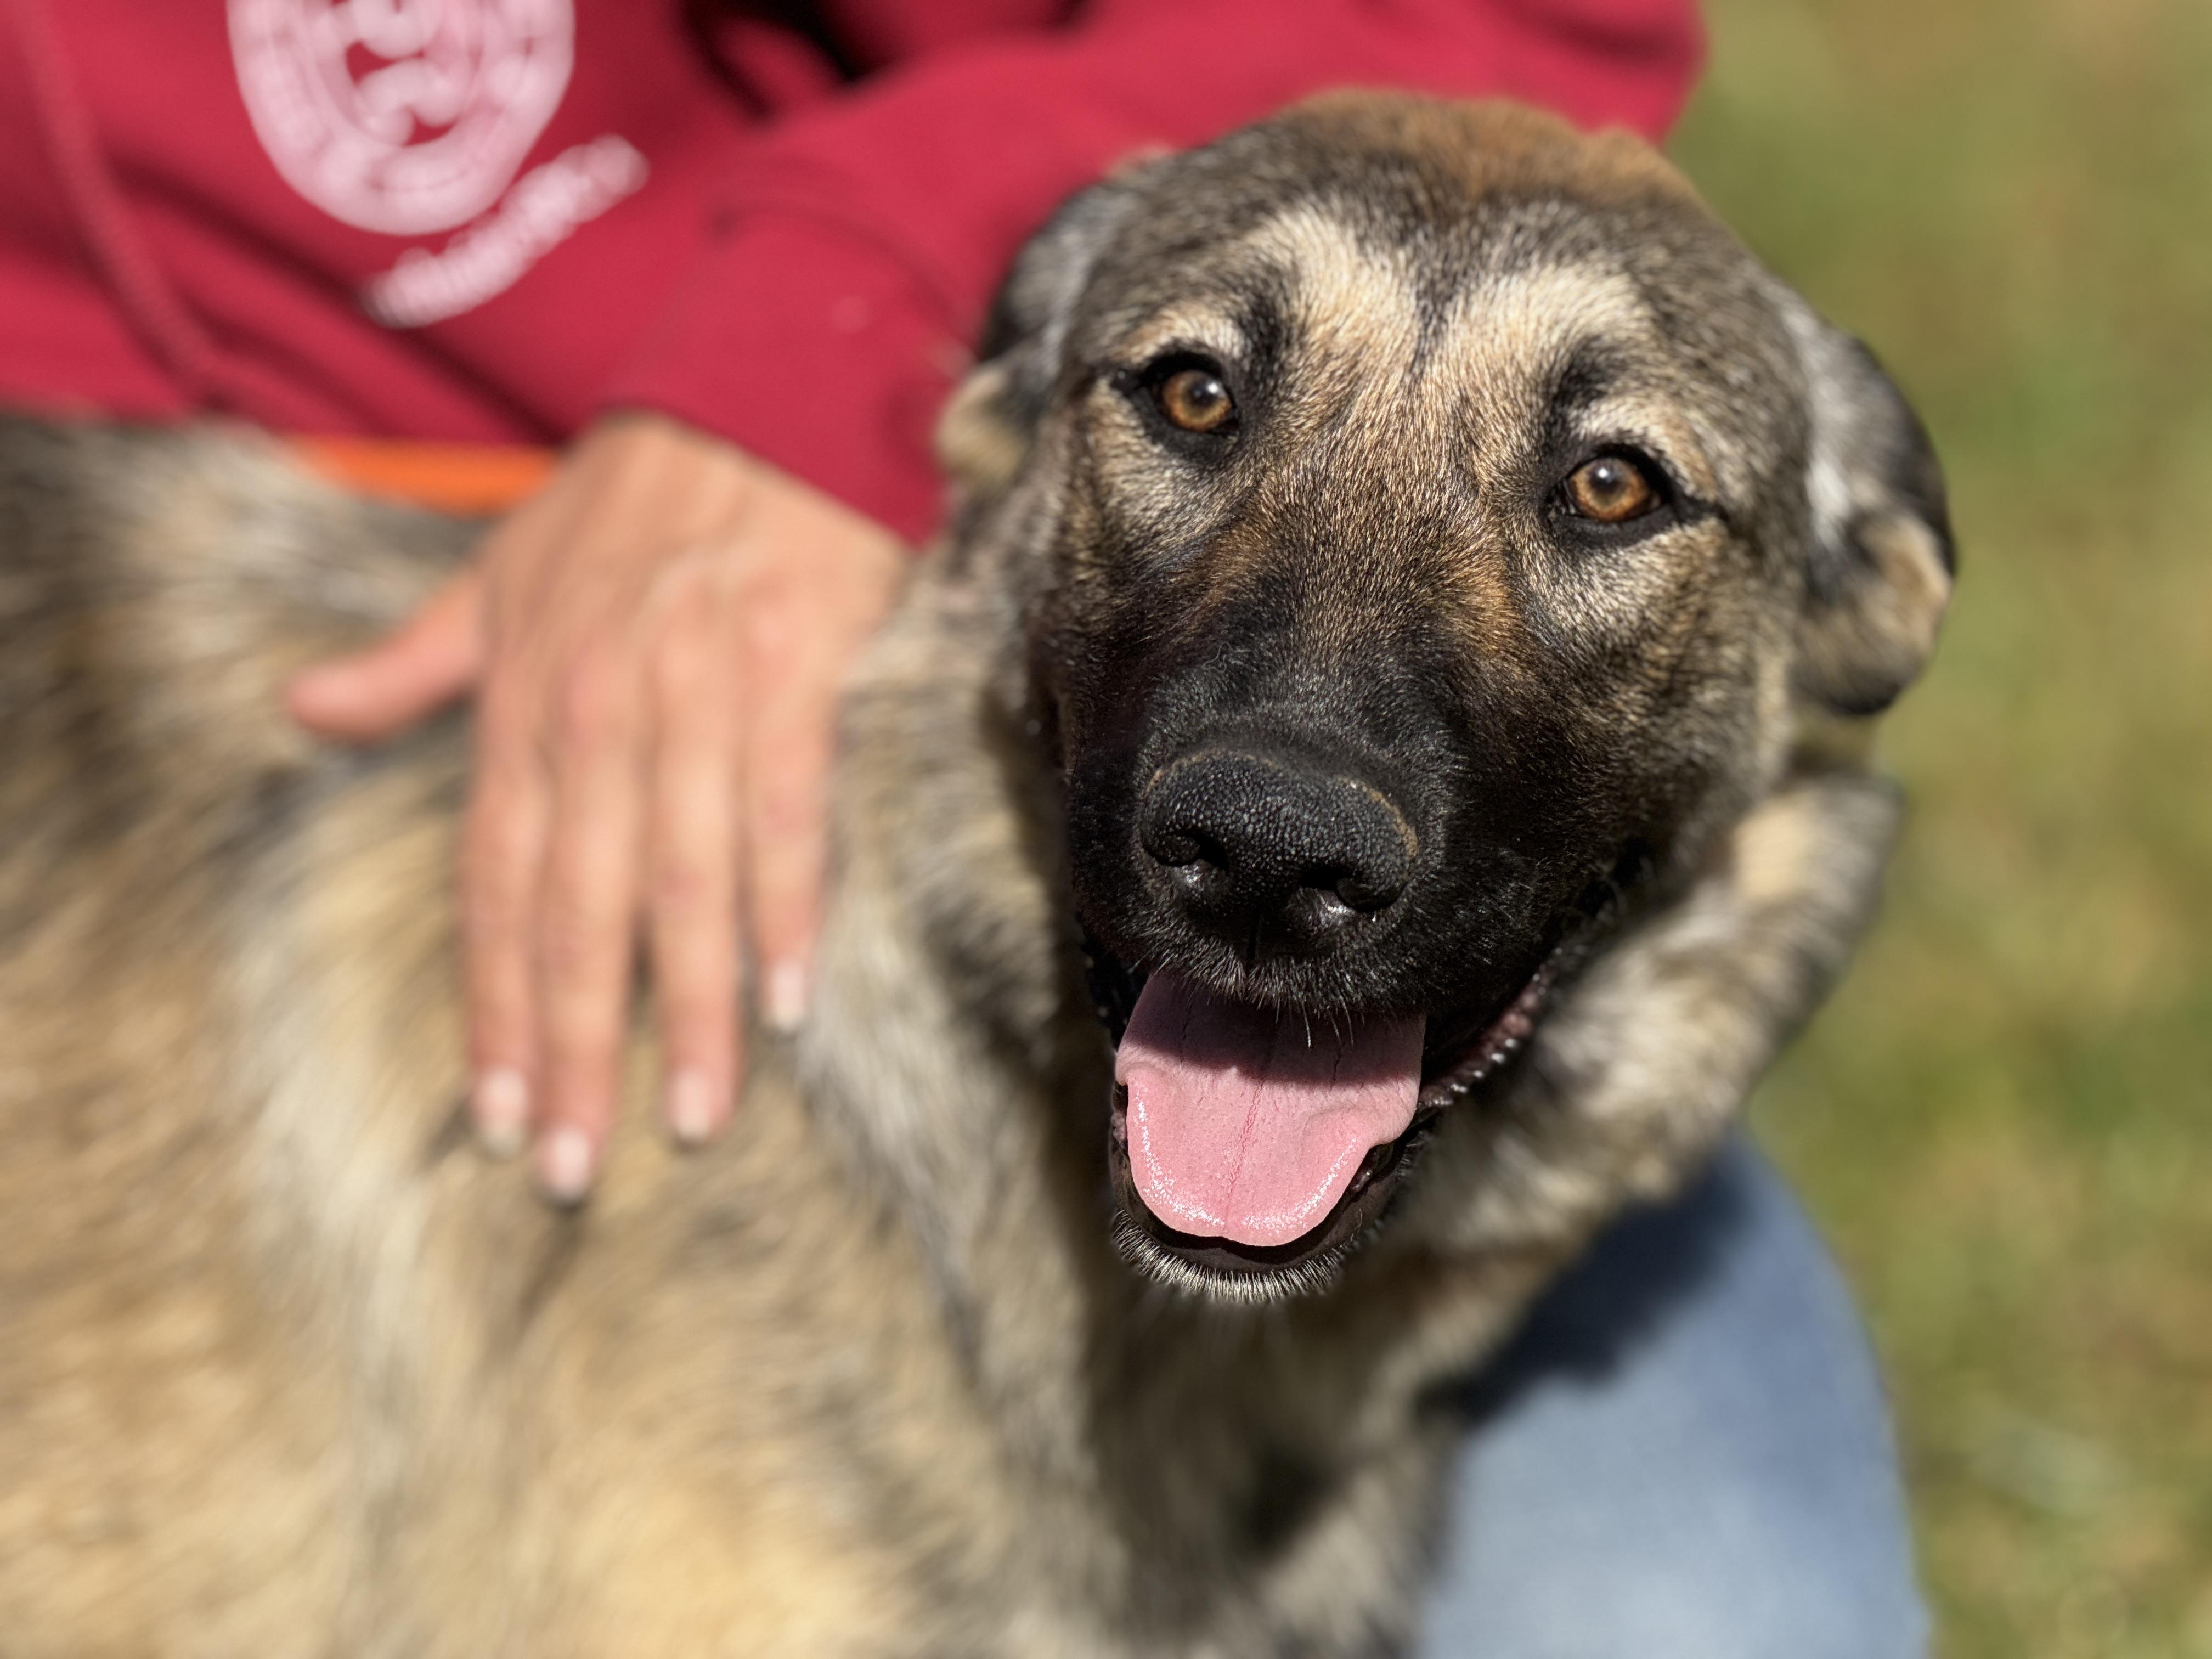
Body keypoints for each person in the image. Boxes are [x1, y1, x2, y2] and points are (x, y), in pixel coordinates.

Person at [0, 3, 1926, 1650]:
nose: (1278, 806)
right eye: (1193, 395)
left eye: (1605, 490)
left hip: (760, 500)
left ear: (1864, 601)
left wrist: (829, 319)